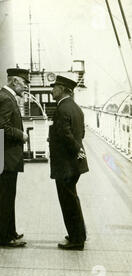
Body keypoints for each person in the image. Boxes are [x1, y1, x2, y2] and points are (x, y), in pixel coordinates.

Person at [0, 68, 30, 248]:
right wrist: (21, 135)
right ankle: (5, 238)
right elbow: (2, 127)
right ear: (14, 82)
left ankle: (10, 232)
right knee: (7, 196)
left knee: (8, 195)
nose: (25, 87)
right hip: (7, 155)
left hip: (3, 154)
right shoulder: (6, 99)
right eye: (24, 83)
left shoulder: (2, 96)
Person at [48, 75, 89, 250]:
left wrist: (74, 151)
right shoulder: (76, 109)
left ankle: (76, 240)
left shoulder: (62, 109)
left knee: (68, 201)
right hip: (74, 164)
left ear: (64, 89)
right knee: (72, 199)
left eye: (55, 87)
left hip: (65, 165)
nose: (52, 90)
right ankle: (79, 234)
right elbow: (82, 134)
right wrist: (78, 152)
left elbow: (66, 136)